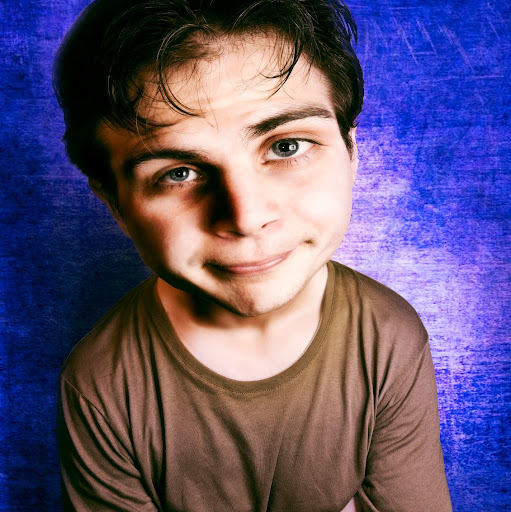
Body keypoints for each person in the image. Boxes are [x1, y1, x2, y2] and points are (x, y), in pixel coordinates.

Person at [54, 0, 452, 510]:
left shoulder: (387, 336)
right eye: (179, 173)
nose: (246, 217)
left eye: (287, 146)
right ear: (115, 203)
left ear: (351, 152)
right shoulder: (102, 385)